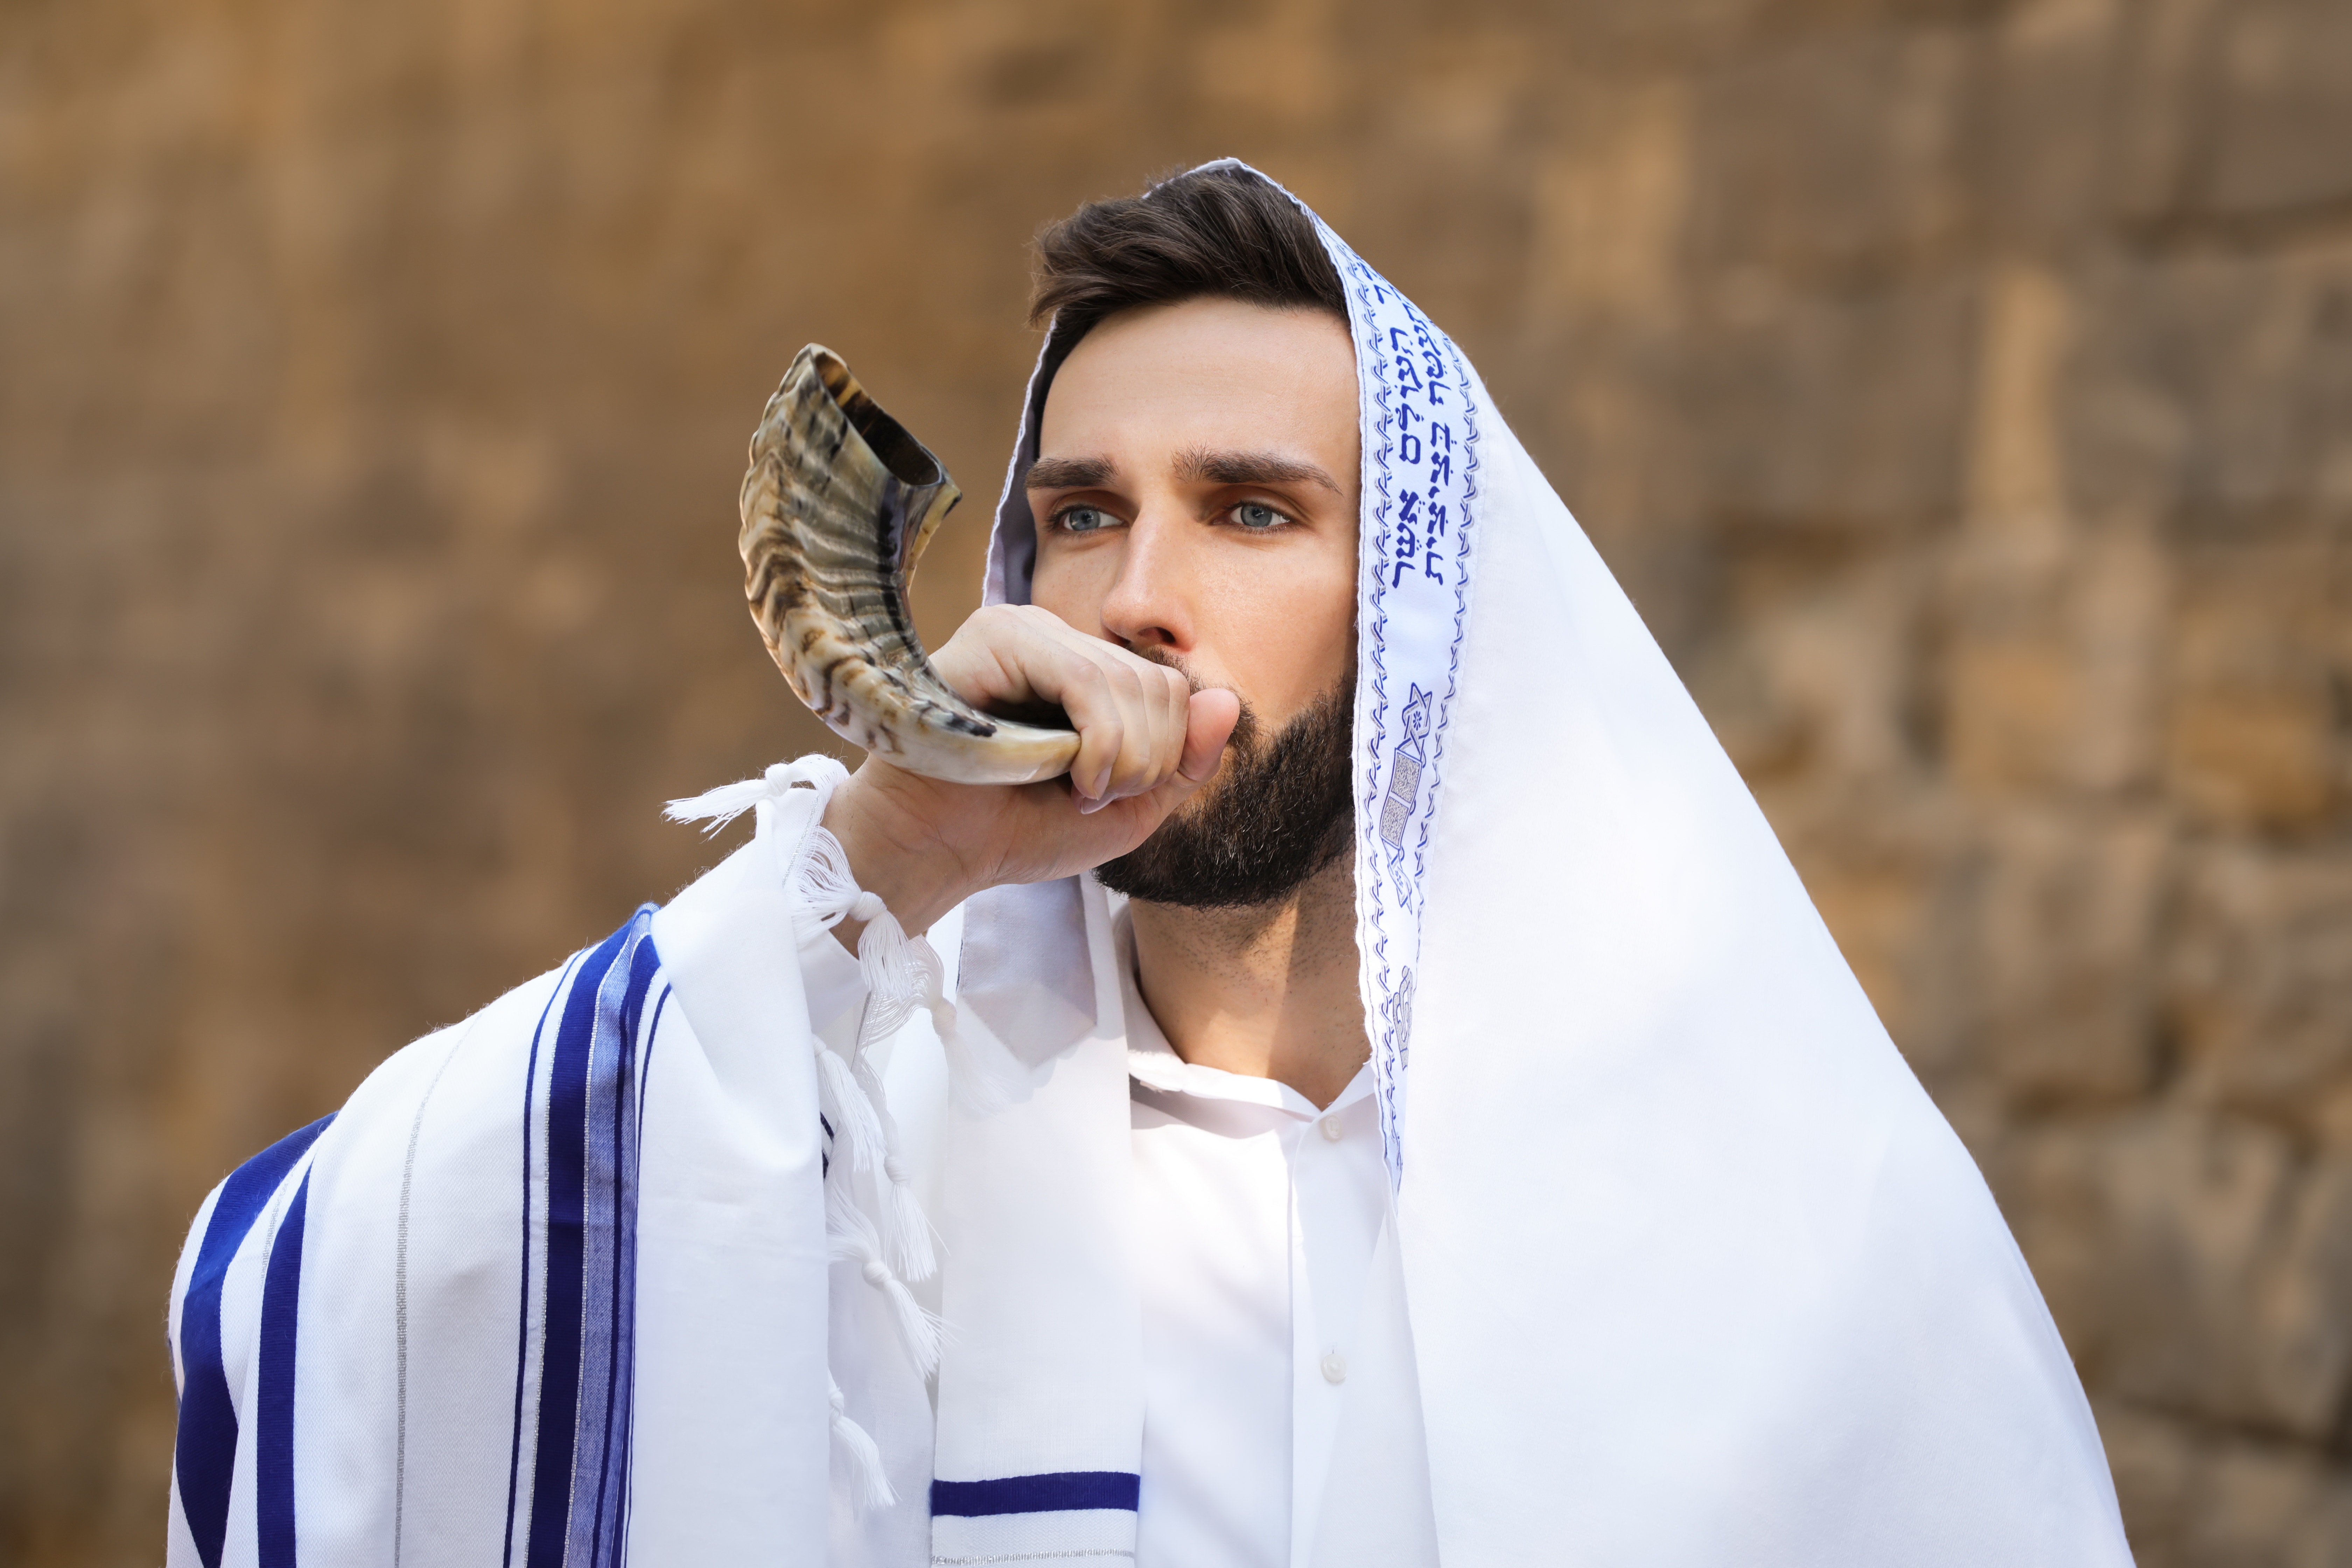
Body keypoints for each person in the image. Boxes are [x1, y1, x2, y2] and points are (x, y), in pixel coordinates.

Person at [164, 162, 2135, 1567]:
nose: (1141, 598)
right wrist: (891, 853)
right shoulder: (850, 1141)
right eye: (1084, 517)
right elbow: (338, 1294)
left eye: (1253, 513)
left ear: (1425, 614)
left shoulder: (1764, 1201)